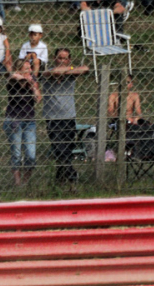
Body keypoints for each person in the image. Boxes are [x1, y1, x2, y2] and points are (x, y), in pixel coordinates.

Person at [39, 48, 88, 185]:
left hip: (69, 117)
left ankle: (59, 179)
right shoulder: (46, 73)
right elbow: (54, 72)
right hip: (53, 118)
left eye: (65, 58)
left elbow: (85, 68)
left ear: (69, 60)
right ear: (55, 59)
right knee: (59, 149)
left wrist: (68, 70)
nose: (62, 61)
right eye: (59, 58)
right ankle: (72, 175)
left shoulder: (70, 74)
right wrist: (69, 69)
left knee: (67, 150)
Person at [3, 58, 41, 186]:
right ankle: (18, 184)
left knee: (31, 155)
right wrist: (25, 79)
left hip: (29, 120)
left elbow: (38, 99)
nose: (30, 70)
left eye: (30, 68)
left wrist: (33, 87)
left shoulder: (32, 80)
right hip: (14, 120)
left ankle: (25, 182)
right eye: (26, 68)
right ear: (19, 70)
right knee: (17, 154)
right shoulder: (13, 80)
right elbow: (13, 77)